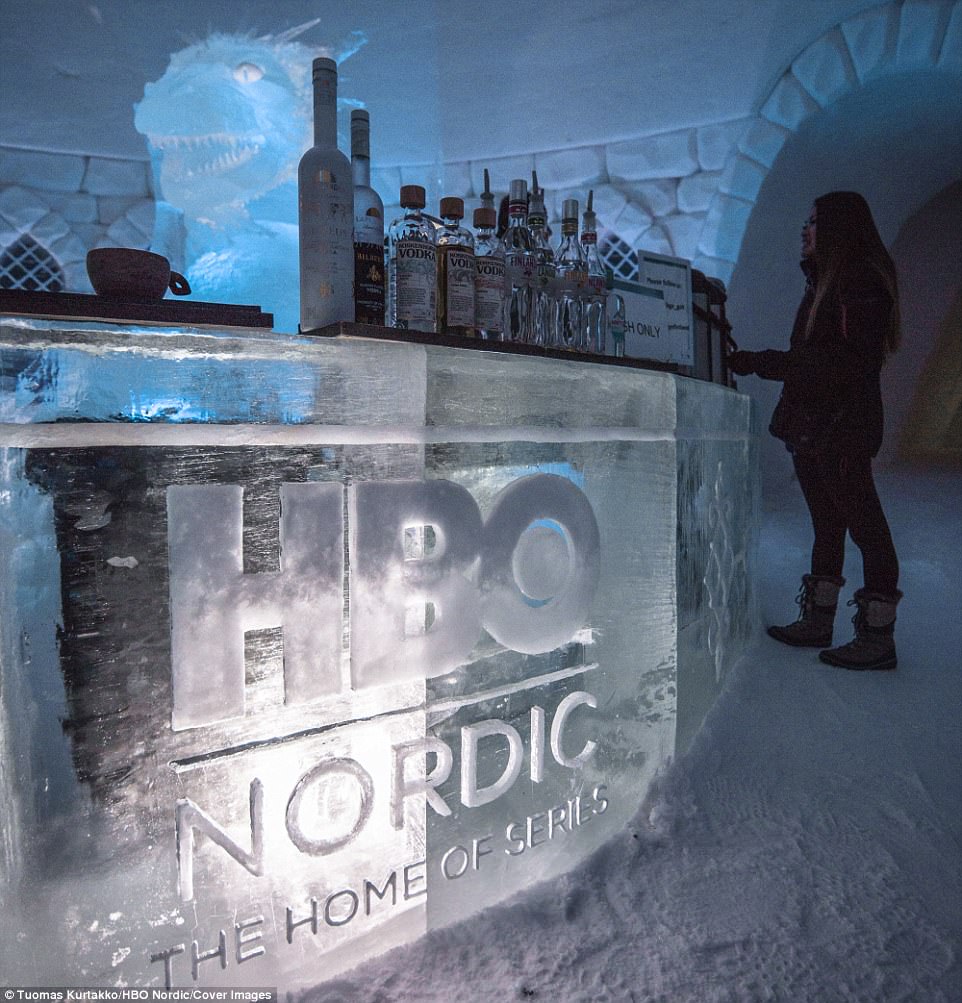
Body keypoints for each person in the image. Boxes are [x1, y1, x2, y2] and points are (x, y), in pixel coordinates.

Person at [728, 191, 902, 671]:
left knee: (867, 528)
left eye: (814, 222)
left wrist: (764, 364)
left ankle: (878, 636)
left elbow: (842, 364)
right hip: (817, 425)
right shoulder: (829, 284)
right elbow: (823, 361)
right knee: (829, 525)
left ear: (840, 231)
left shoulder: (859, 284)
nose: (805, 231)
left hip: (840, 426)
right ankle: (820, 620)